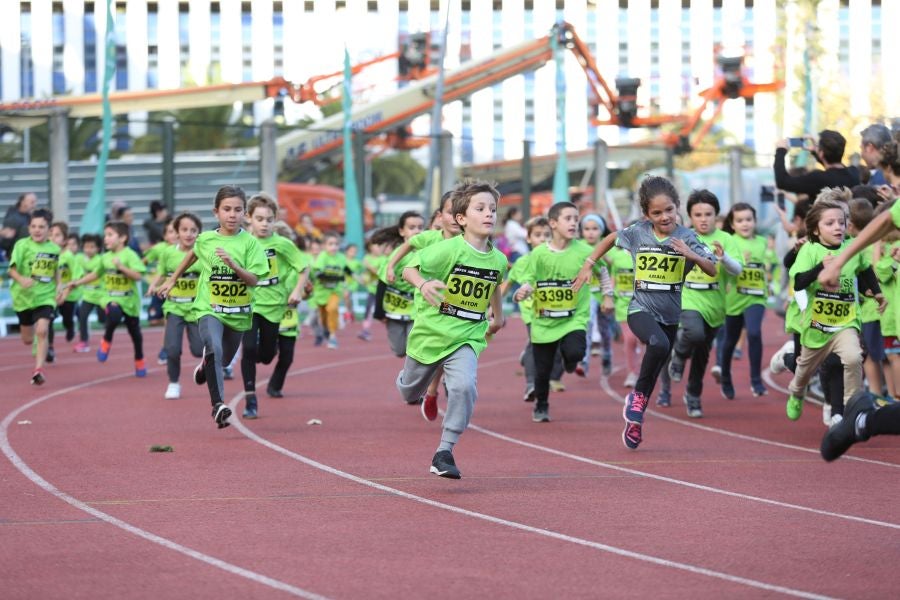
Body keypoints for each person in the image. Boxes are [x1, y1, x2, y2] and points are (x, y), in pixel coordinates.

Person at [574, 176, 717, 450]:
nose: (664, 217)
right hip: (640, 309)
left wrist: (691, 255)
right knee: (658, 344)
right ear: (646, 215)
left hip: (670, 315)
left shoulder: (688, 237)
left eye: (669, 210)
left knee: (655, 364)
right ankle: (638, 400)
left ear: (678, 207)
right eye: (657, 213)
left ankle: (635, 418)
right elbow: (612, 238)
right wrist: (588, 264)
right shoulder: (638, 232)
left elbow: (712, 268)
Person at [397, 179, 506, 479]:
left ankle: (444, 450)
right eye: (480, 208)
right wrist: (423, 284)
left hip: (467, 336)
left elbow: (495, 283)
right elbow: (408, 269)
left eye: (493, 209)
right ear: (461, 219)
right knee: (408, 391)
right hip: (432, 333)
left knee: (463, 387)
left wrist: (498, 316)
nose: (488, 214)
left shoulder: (498, 258)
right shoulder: (447, 250)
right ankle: (411, 382)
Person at [157, 185, 269, 429]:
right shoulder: (206, 239)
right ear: (216, 212)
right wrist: (172, 279)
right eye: (226, 209)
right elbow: (192, 255)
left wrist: (234, 266)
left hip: (238, 314)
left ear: (245, 214)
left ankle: (205, 367)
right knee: (214, 349)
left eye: (238, 210)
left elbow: (254, 279)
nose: (232, 214)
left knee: (224, 360)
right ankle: (218, 405)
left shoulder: (250, 244)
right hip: (209, 309)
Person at [786, 190, 881, 421]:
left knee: (853, 357)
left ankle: (852, 405)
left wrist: (876, 292)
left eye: (842, 222)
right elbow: (798, 282)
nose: (838, 227)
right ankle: (797, 392)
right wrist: (821, 267)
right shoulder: (810, 249)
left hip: (845, 322)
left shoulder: (852, 247)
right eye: (830, 223)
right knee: (804, 372)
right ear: (816, 229)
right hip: (816, 326)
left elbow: (865, 268)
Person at [513, 202, 594, 423]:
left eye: (576, 219)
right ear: (553, 223)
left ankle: (570, 360)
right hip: (544, 321)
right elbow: (528, 279)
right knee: (542, 370)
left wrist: (606, 294)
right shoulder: (538, 254)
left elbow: (603, 268)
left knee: (576, 351)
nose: (573, 223)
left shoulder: (585, 252)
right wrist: (524, 290)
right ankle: (541, 405)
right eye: (568, 218)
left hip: (573, 317)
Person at [667, 190, 742, 418]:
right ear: (689, 216)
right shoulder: (682, 237)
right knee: (694, 333)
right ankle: (679, 354)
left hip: (715, 304)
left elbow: (737, 270)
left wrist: (723, 257)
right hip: (688, 298)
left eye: (708, 214)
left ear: (716, 215)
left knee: (702, 354)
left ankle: (693, 395)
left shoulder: (727, 239)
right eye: (697, 214)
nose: (703, 218)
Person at [239, 193, 309, 419]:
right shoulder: (241, 242)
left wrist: (298, 289)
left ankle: (267, 351)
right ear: (249, 218)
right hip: (248, 304)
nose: (264, 224)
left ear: (275, 219)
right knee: (248, 349)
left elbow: (303, 267)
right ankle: (250, 400)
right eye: (259, 219)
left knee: (268, 355)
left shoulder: (282, 244)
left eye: (269, 219)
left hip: (274, 305)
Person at [69, 221, 147, 377]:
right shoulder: (105, 257)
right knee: (114, 313)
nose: (106, 239)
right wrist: (77, 282)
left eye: (110, 235)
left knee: (136, 334)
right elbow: (96, 274)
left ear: (123, 238)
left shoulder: (130, 255)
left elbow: (138, 276)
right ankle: (106, 340)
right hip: (110, 296)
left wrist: (122, 267)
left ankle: (139, 359)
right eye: (105, 235)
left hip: (129, 300)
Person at [149, 212, 204, 400]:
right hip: (174, 308)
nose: (188, 234)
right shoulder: (168, 253)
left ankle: (209, 362)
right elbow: (162, 272)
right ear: (176, 232)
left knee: (198, 350)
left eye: (193, 230)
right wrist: (153, 284)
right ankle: (173, 383)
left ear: (199, 233)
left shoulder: (203, 254)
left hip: (196, 309)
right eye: (184, 230)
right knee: (172, 349)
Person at [718, 203, 769, 399]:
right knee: (730, 340)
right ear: (732, 223)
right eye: (740, 220)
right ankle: (725, 377)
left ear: (755, 221)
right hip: (734, 297)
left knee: (754, 333)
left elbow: (769, 263)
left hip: (756, 296)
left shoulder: (763, 242)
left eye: (748, 219)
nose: (745, 224)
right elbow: (721, 266)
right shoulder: (729, 241)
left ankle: (756, 381)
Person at [502, 216, 552, 403]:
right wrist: (492, 306)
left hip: (555, 312)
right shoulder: (522, 262)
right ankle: (531, 384)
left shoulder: (558, 259)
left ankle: (528, 353)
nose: (543, 239)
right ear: (529, 239)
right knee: (536, 342)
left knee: (553, 349)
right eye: (538, 235)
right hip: (532, 312)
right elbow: (507, 284)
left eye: (547, 235)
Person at [7, 208, 60, 385]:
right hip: (23, 298)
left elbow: (56, 270)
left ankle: (38, 371)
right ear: (29, 228)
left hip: (45, 297)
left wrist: (59, 286)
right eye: (34, 226)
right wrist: (21, 279)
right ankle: (37, 340)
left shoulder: (54, 249)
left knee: (43, 330)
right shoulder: (22, 245)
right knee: (28, 340)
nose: (37, 230)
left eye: (41, 227)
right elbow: (11, 270)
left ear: (49, 230)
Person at [268, 228, 311, 398]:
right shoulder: (265, 261)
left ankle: (274, 386)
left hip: (288, 317)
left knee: (287, 357)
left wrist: (306, 292)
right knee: (267, 352)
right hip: (267, 314)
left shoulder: (300, 266)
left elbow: (307, 293)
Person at [774, 130, 860, 200]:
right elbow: (834, 169)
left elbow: (782, 182)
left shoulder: (818, 179)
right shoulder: (854, 173)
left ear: (821, 153)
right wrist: (816, 152)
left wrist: (780, 151)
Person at [310, 232, 351, 350]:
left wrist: (346, 287)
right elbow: (318, 274)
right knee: (323, 317)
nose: (334, 247)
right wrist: (336, 277)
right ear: (324, 246)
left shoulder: (341, 257)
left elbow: (345, 273)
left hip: (335, 291)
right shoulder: (322, 256)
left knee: (332, 309)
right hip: (321, 291)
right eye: (330, 244)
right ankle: (326, 330)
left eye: (336, 244)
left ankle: (333, 335)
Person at [74, 233, 105, 353]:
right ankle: (83, 341)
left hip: (101, 294)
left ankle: (107, 338)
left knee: (102, 319)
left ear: (98, 248)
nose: (88, 249)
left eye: (92, 247)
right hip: (87, 295)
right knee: (82, 316)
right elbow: (76, 270)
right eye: (86, 247)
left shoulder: (101, 260)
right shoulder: (79, 259)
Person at [1, 192, 37, 256]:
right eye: (32, 202)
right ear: (22, 202)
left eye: (35, 202)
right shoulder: (13, 219)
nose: (34, 205)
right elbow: (5, 243)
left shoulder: (29, 216)